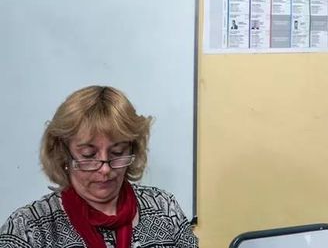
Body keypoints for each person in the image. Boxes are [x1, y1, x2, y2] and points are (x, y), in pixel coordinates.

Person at [0, 86, 198, 248]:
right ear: (63, 154)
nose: (105, 170)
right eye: (88, 155)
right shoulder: (28, 228)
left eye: (118, 152)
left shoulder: (164, 208)